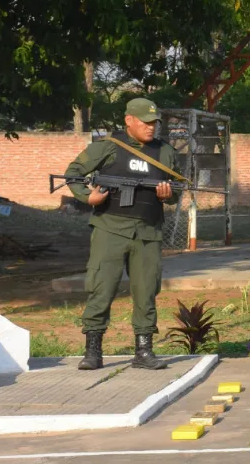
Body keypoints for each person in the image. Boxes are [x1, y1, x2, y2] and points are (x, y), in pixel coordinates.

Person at [64, 98, 182, 370]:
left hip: (148, 232)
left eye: (155, 123)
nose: (151, 127)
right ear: (129, 120)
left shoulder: (165, 152)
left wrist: (168, 194)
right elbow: (73, 173)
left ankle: (144, 351)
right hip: (110, 229)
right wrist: (88, 197)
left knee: (146, 291)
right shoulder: (107, 147)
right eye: (145, 122)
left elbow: (176, 190)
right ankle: (93, 350)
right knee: (101, 288)